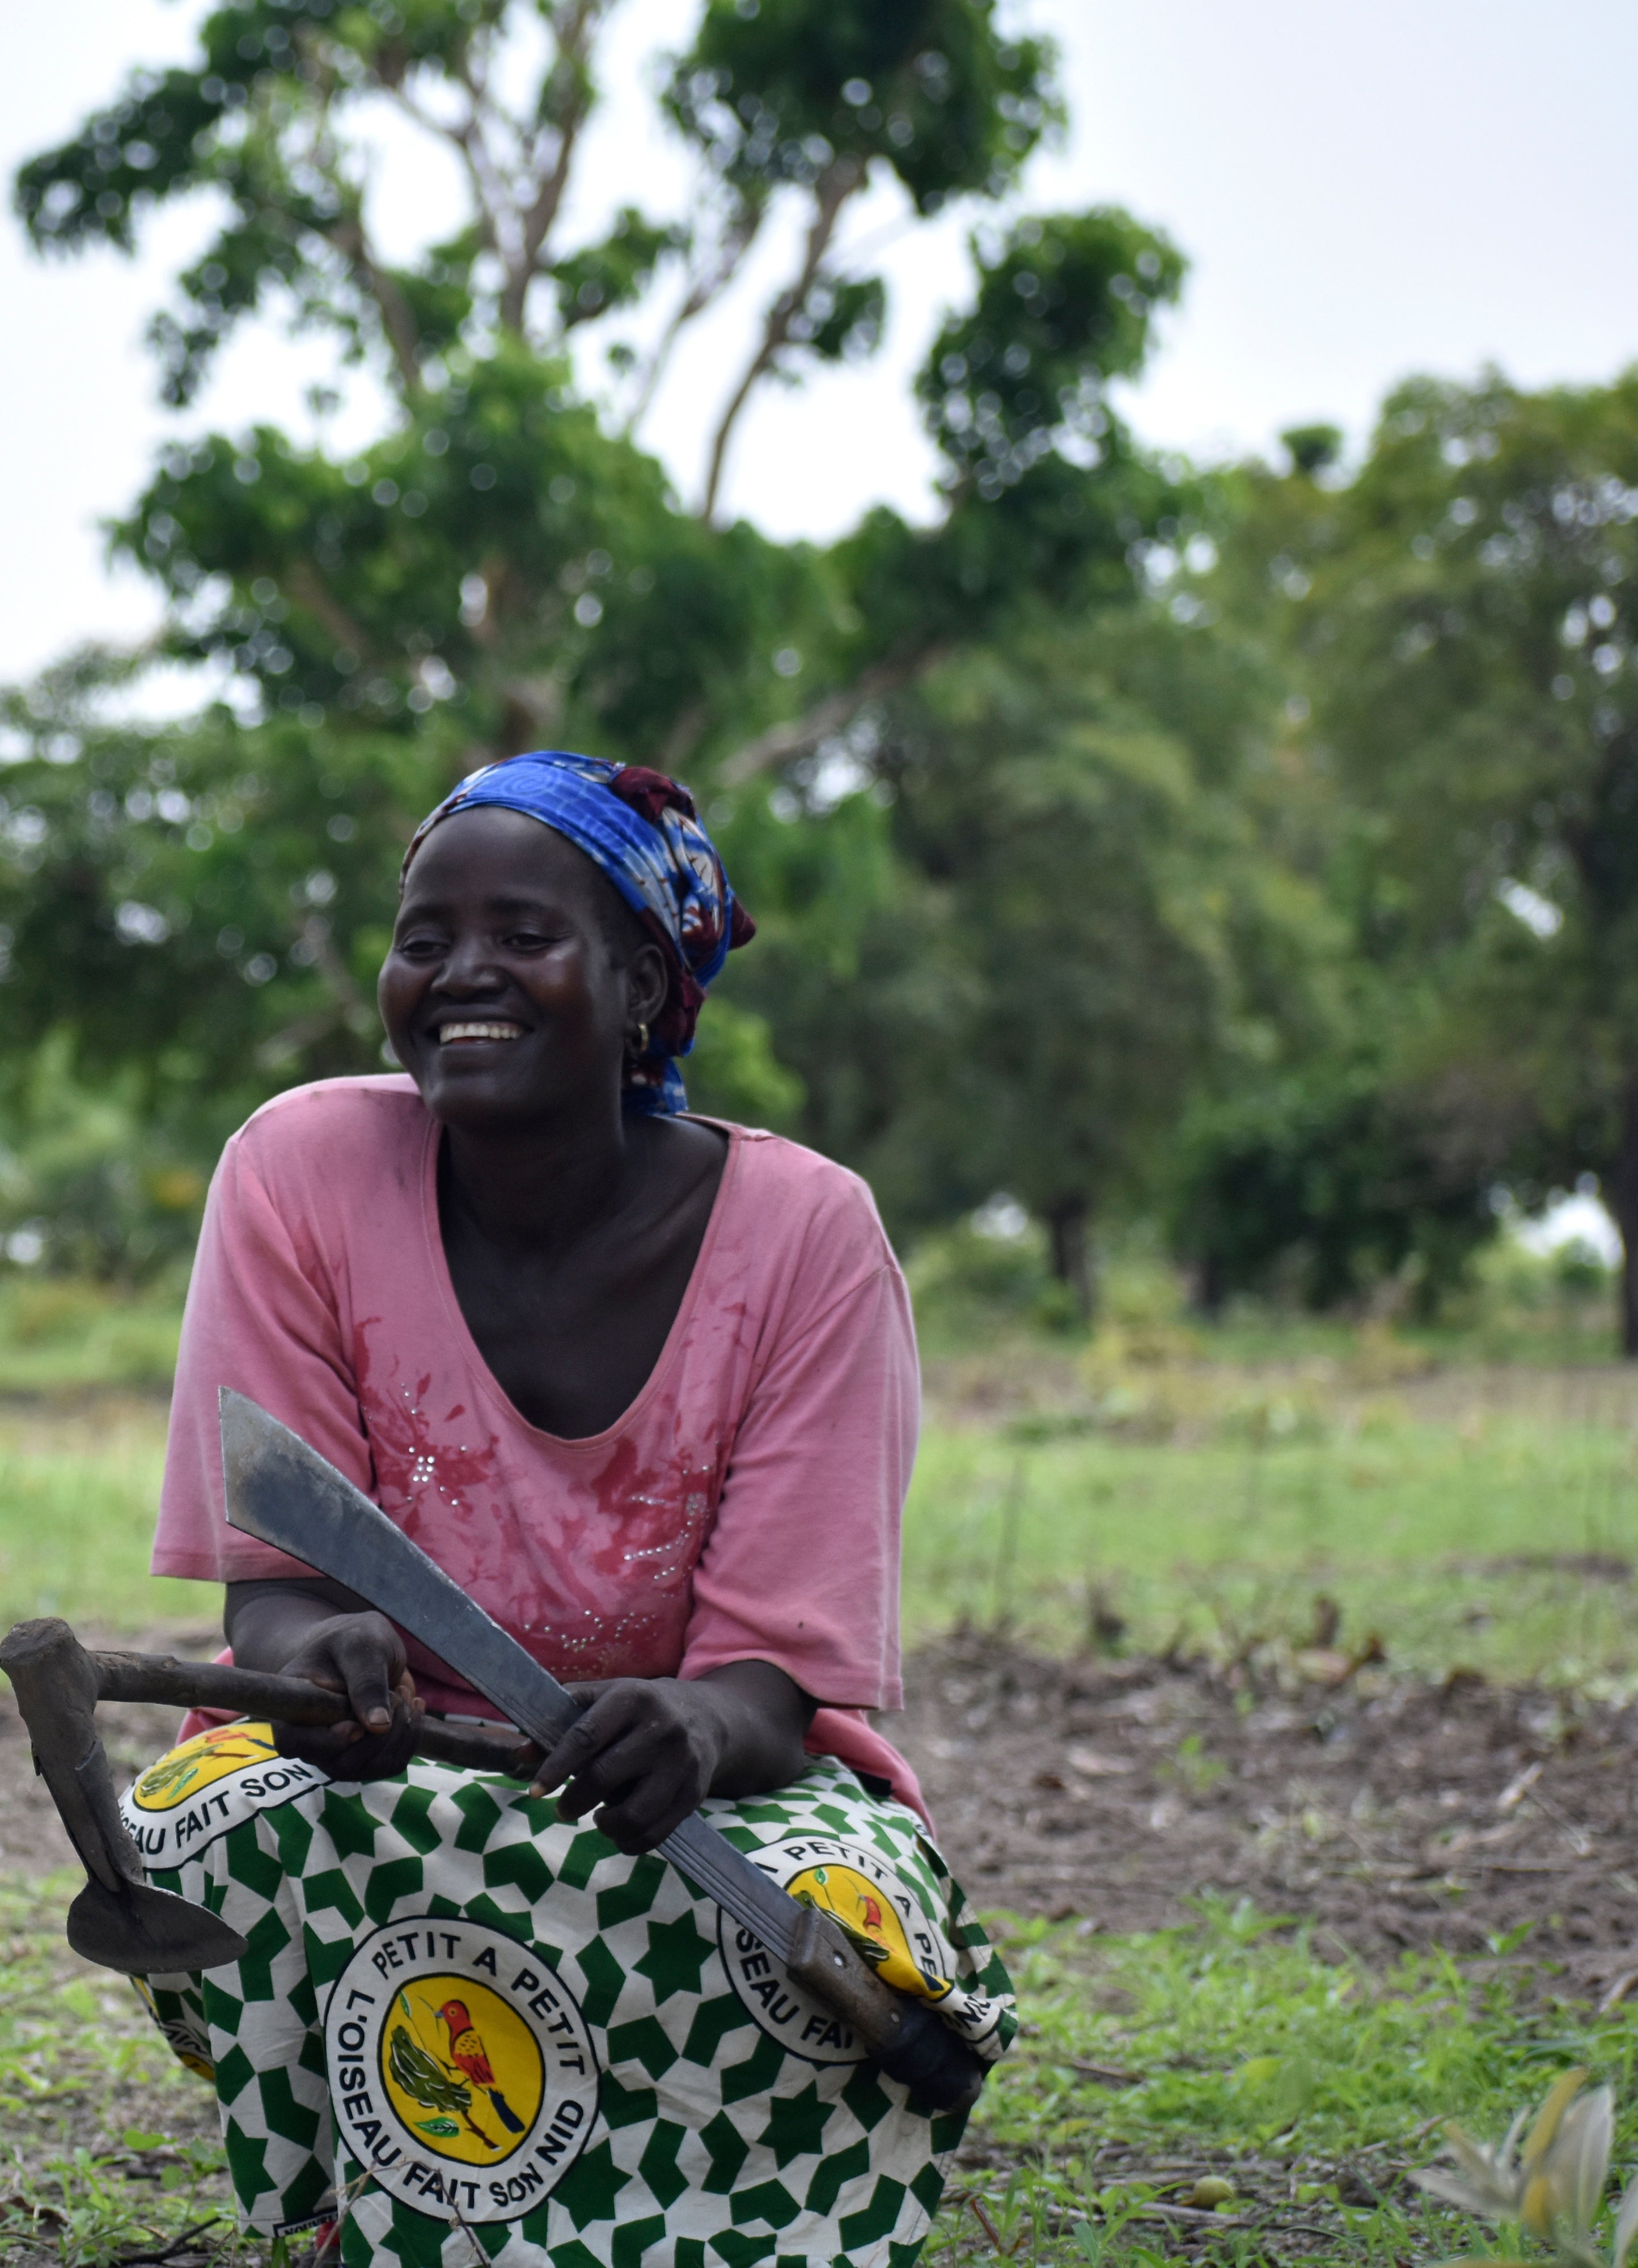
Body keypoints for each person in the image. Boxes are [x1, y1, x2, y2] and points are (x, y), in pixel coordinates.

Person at [121, 751, 1013, 2267]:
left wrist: (687, 1728)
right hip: (396, 1784)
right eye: (425, 938)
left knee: (827, 1909)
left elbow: (775, 1688)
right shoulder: (298, 1176)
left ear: (649, 983)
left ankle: (725, 2212)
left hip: (710, 1790)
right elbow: (271, 1595)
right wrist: (321, 1662)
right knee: (209, 1819)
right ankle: (393, 2192)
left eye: (523, 935)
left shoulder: (807, 1239)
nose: (463, 974)